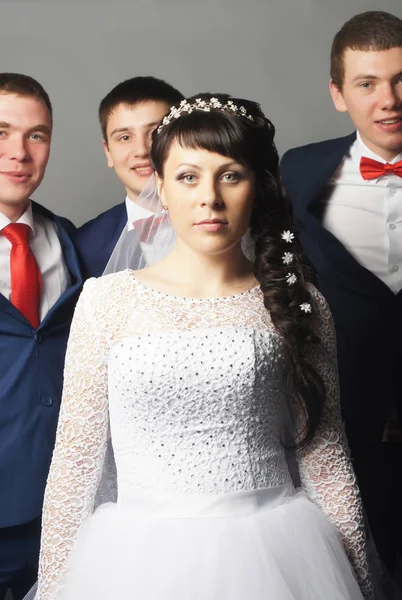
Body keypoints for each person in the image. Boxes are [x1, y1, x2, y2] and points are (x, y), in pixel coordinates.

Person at [32, 93, 373, 600]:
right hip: (134, 563)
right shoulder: (106, 302)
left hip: (277, 557)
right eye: (188, 177)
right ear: (161, 188)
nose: (209, 197)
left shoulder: (299, 304)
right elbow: (75, 467)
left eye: (230, 175)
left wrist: (362, 584)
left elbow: (325, 456)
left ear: (257, 188)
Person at [280, 10, 402, 574]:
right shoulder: (299, 172)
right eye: (367, 83)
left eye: (401, 80)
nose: (389, 100)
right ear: (338, 94)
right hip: (344, 424)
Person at [0, 73, 82, 600]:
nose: (19, 153)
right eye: (1, 131)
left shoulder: (70, 239)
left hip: (61, 505)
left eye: (37, 135)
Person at [74, 76, 184, 278]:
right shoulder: (82, 246)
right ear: (108, 152)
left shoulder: (243, 224)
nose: (142, 150)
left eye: (155, 133)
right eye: (124, 138)